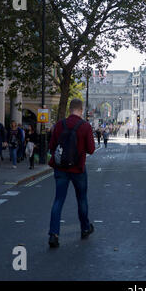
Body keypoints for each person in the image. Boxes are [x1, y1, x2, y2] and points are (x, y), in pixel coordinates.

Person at [48, 99, 95, 248]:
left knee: (58, 200)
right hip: (78, 169)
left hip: (61, 168)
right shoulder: (85, 126)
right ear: (81, 110)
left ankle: (54, 234)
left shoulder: (59, 125)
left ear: (69, 109)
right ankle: (85, 228)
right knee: (81, 199)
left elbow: (52, 147)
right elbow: (91, 149)